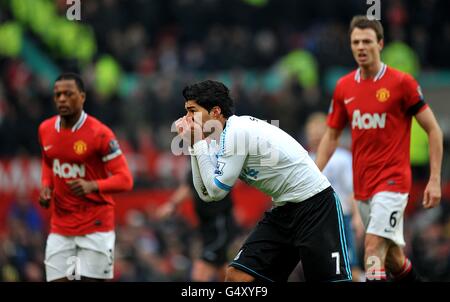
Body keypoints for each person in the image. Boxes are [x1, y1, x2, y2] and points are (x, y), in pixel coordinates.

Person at [175, 80, 352, 282]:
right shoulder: (218, 141)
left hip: (316, 206)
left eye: (192, 111)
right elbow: (206, 195)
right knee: (238, 277)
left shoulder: (237, 131)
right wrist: (193, 147)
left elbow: (216, 192)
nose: (187, 119)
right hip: (285, 210)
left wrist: (197, 143)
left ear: (215, 112)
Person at [315, 16, 443, 282]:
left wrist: (434, 179)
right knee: (394, 259)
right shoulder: (344, 87)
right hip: (363, 186)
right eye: (356, 42)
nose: (361, 47)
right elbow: (332, 135)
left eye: (367, 41)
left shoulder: (401, 84)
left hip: (393, 182)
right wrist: (313, 171)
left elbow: (433, 129)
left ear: (380, 44)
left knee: (372, 248)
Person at [38, 73, 133, 282]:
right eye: (58, 95)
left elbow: (125, 179)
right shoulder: (45, 129)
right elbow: (48, 161)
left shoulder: (100, 134)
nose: (62, 99)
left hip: (96, 224)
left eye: (68, 94)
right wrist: (46, 185)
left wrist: (92, 185)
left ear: (82, 97)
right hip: (61, 226)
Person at [305, 112, 364, 281]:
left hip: (341, 220)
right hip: (317, 224)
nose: (315, 136)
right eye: (311, 132)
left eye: (318, 132)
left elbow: (352, 190)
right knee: (324, 270)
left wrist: (357, 217)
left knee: (350, 268)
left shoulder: (342, 158)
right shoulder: (306, 160)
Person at [157, 165, 238, 281]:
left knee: (200, 272)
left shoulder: (218, 161)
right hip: (208, 226)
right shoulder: (197, 162)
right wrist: (172, 205)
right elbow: (189, 186)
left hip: (218, 224)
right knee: (222, 270)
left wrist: (172, 205)